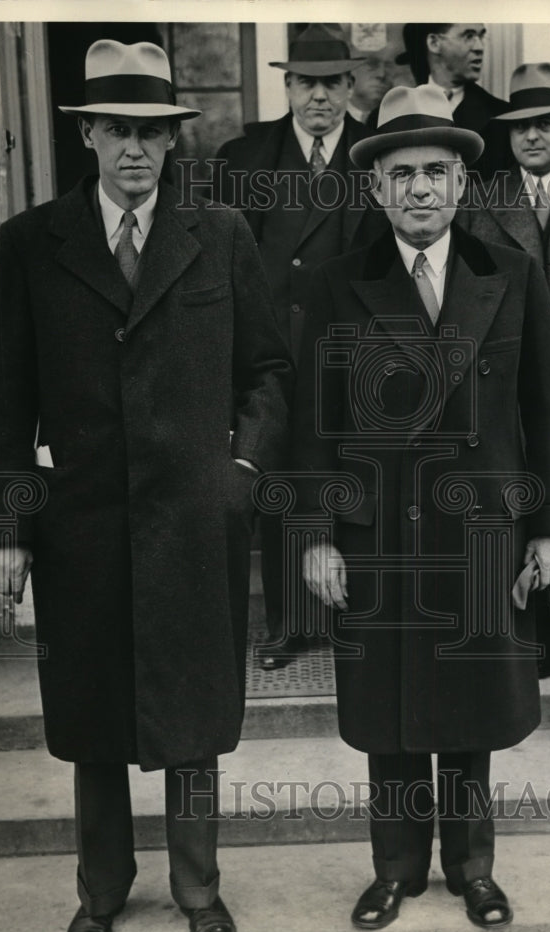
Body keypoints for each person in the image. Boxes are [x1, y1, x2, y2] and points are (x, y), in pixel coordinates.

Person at [0, 40, 292, 932]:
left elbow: (267, 372)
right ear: (87, 137)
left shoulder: (220, 233)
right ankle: (100, 894)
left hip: (194, 522)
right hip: (81, 525)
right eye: (116, 131)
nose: (133, 151)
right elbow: (7, 399)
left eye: (150, 134)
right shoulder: (34, 241)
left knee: (193, 720)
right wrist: (8, 529)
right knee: (94, 717)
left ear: (170, 142)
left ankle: (200, 890)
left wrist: (239, 472)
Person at [292, 85, 550, 930]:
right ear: (377, 189)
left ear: (460, 185)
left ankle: (472, 868)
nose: (419, 190)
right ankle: (393, 870)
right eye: (402, 174)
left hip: (478, 533)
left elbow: (549, 405)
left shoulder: (510, 275)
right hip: (374, 536)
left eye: (436, 173)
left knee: (468, 712)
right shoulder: (340, 283)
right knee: (387, 715)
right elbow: (313, 423)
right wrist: (314, 536)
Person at [213, 23, 387, 666]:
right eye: (307, 83)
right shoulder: (243, 157)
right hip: (267, 351)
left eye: (333, 83)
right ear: (286, 86)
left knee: (357, 476)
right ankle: (290, 623)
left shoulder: (378, 154)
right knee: (278, 478)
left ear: (350, 86)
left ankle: (357, 617)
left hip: (355, 347)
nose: (320, 96)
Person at [458, 63, 550, 677]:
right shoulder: (480, 205)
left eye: (545, 124)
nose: (532, 138)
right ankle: (531, 642)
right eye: (520, 128)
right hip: (513, 384)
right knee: (523, 501)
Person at [395, 23, 510, 181]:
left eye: (481, 36)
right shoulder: (390, 115)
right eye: (468, 36)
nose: (479, 47)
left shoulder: (502, 117)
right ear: (434, 43)